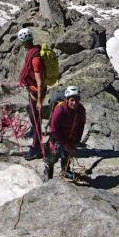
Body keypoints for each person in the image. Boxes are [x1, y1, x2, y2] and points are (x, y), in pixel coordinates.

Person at [16, 27, 46, 160]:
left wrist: (39, 101)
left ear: (23, 42)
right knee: (30, 111)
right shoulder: (32, 52)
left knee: (36, 119)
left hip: (36, 92)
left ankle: (37, 148)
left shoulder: (35, 58)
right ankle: (34, 133)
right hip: (33, 90)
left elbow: (39, 82)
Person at [46, 85, 86, 180]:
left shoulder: (81, 110)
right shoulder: (60, 109)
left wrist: (76, 141)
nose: (74, 103)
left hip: (70, 136)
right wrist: (65, 144)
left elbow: (81, 125)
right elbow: (54, 129)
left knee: (67, 154)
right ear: (67, 99)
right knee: (54, 156)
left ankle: (65, 170)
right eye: (72, 100)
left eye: (76, 100)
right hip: (57, 137)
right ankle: (49, 170)